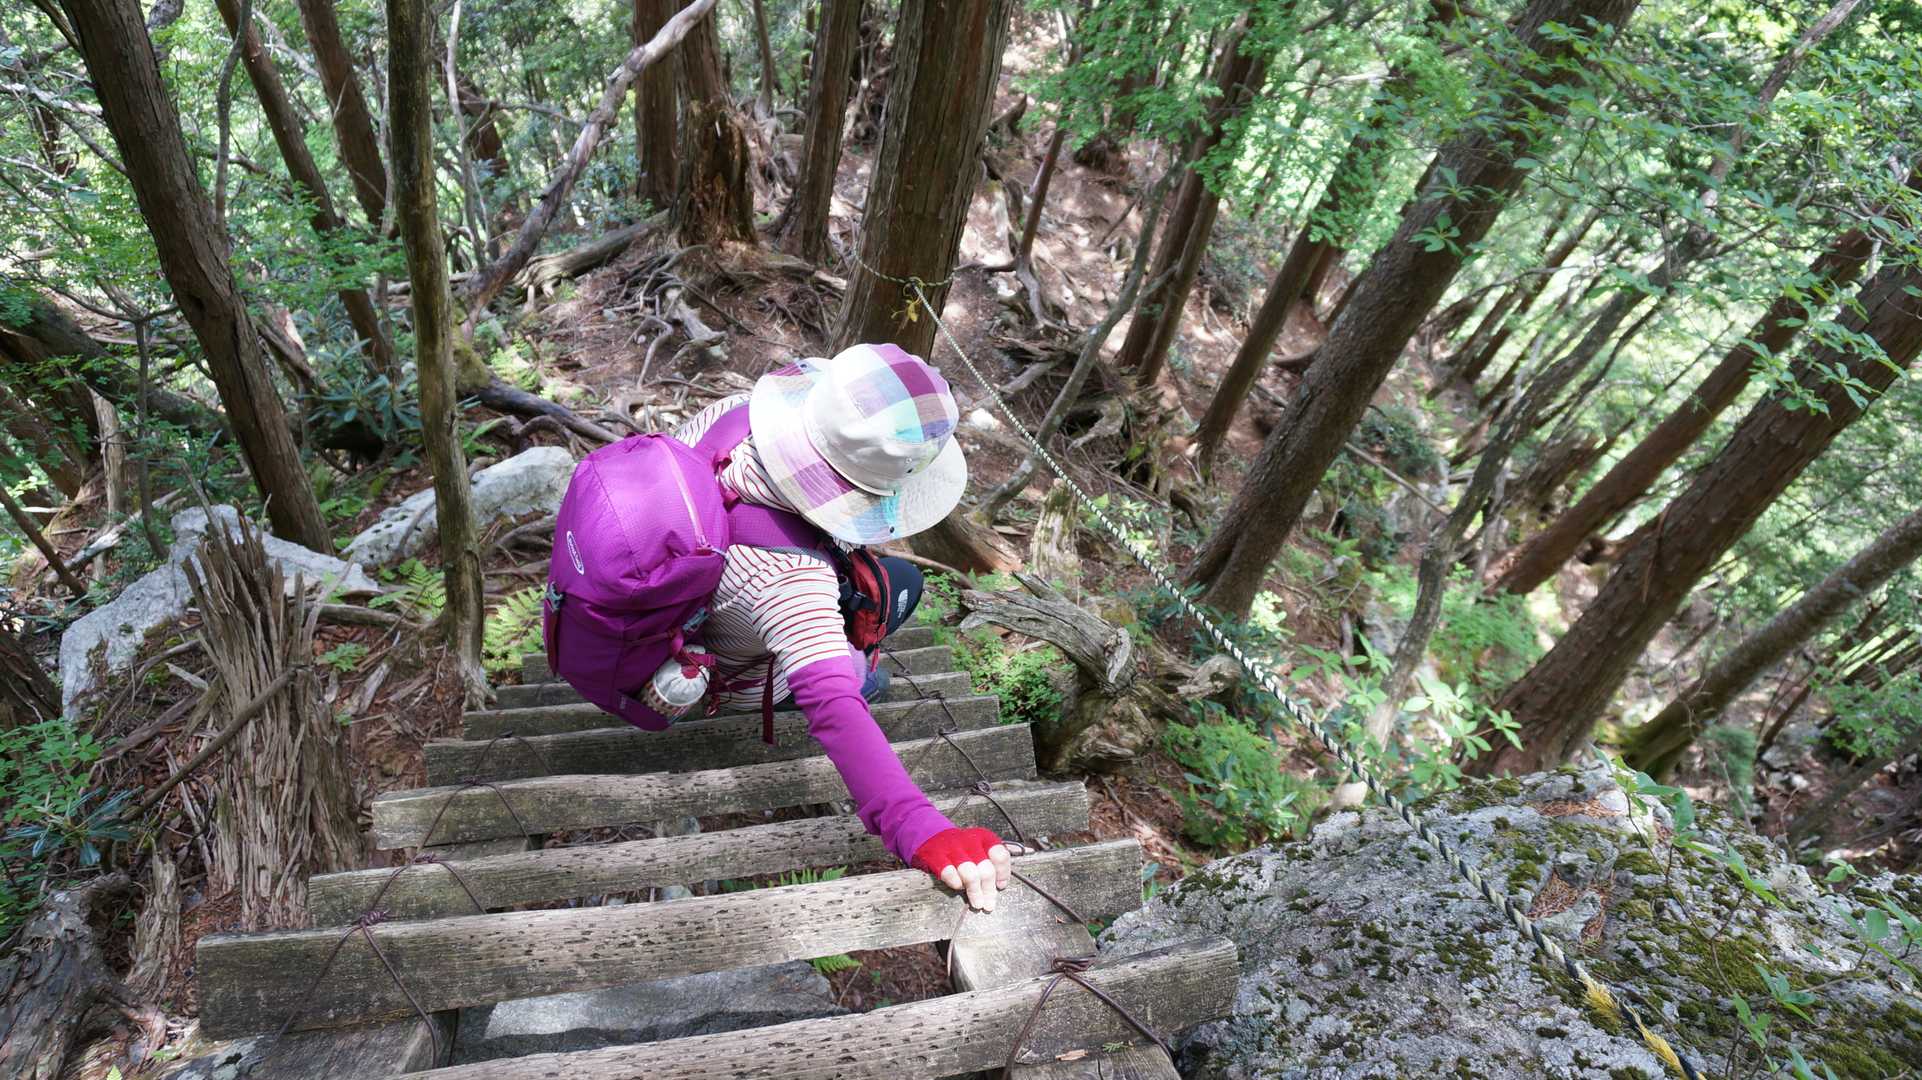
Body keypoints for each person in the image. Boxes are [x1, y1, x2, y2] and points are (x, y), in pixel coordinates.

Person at [672, 343, 1012, 912]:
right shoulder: (792, 583)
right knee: (886, 614)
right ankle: (858, 677)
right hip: (724, 679)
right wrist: (922, 827)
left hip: (680, 626)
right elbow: (833, 706)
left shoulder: (732, 417)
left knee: (889, 581)